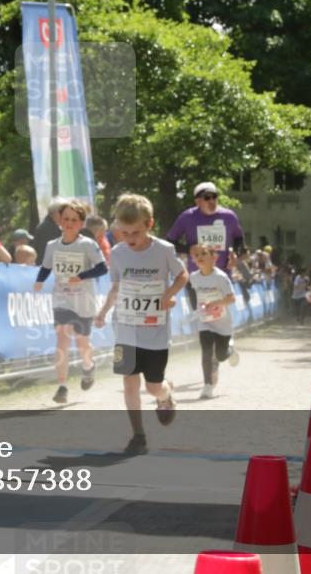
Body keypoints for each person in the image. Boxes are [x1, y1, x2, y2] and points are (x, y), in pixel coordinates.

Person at [95, 194, 188, 455]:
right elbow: (116, 287)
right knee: (129, 382)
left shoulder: (164, 250)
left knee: (153, 386)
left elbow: (182, 275)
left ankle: (166, 395)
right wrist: (103, 311)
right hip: (125, 329)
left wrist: (168, 294)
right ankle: (138, 435)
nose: (130, 238)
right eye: (124, 233)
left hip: (155, 333)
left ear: (150, 224)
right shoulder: (117, 253)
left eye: (135, 232)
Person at [34, 200, 107, 402]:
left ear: (81, 223)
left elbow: (102, 268)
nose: (69, 223)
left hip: (83, 301)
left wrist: (81, 276)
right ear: (59, 220)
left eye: (74, 220)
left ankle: (88, 366)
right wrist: (39, 280)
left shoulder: (87, 244)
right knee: (63, 336)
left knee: (81, 340)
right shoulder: (52, 245)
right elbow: (46, 267)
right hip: (61, 298)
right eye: (65, 218)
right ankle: (62, 386)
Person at [167, 182, 244, 312]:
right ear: (198, 200)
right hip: (197, 279)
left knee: (220, 320)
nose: (212, 201)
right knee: (202, 318)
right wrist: (188, 249)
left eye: (214, 196)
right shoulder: (187, 217)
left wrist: (235, 253)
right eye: (207, 197)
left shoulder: (229, 216)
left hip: (222, 277)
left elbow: (239, 238)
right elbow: (170, 242)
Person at [189, 243, 237, 399]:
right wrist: (197, 310)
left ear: (213, 257)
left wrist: (216, 303)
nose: (200, 257)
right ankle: (208, 385)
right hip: (205, 321)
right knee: (206, 352)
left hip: (222, 323)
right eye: (197, 256)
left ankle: (230, 349)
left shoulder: (220, 277)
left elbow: (232, 298)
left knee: (221, 355)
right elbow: (194, 295)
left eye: (203, 254)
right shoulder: (194, 277)